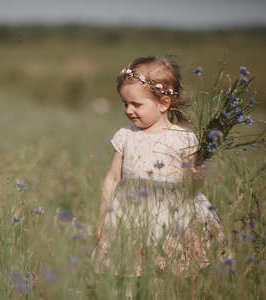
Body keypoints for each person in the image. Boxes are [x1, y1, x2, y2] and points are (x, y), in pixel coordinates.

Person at [92, 56, 229, 282]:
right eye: (125, 103)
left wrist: (198, 178)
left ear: (163, 103)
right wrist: (102, 217)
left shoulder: (183, 139)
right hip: (130, 216)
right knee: (128, 275)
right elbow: (112, 178)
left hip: (170, 219)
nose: (129, 110)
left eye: (136, 104)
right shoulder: (126, 136)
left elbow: (189, 188)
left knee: (165, 275)